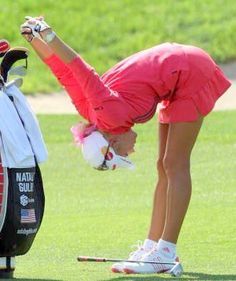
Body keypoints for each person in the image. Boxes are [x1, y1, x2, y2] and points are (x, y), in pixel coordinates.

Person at [20, 17, 231, 275]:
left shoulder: (108, 114)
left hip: (189, 70)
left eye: (121, 155)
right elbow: (61, 71)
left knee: (174, 164)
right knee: (163, 166)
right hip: (175, 74)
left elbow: (79, 68)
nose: (129, 152)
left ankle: (166, 252)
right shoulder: (90, 111)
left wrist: (48, 35)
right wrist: (32, 39)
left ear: (112, 141)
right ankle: (152, 246)